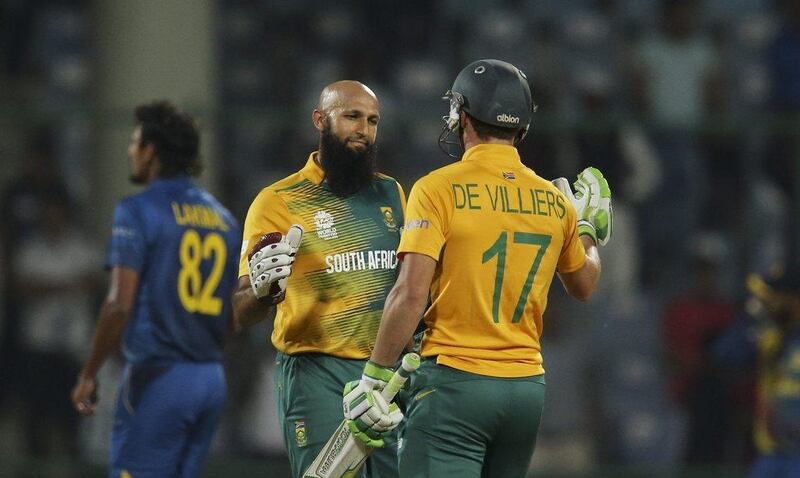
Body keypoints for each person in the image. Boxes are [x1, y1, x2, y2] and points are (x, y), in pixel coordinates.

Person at [341, 59, 611, 477]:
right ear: (521, 126)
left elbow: (410, 295)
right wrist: (589, 229)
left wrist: (374, 375)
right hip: (526, 389)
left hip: (454, 384)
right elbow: (585, 284)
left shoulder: (438, 188)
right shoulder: (554, 200)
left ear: (461, 115)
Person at [231, 80, 406, 477]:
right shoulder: (278, 200)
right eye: (352, 116)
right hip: (317, 374)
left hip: (385, 374)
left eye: (373, 120)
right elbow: (240, 312)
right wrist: (262, 292)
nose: (363, 129)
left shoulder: (391, 193)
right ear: (320, 120)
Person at [70, 101, 241, 477]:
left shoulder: (138, 210)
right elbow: (232, 314)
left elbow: (118, 305)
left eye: (135, 142)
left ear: (150, 151)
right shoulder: (224, 220)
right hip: (210, 378)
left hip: (160, 376)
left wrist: (89, 373)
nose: (131, 151)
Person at [713, 264, 800, 477]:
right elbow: (725, 354)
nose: (767, 305)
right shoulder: (771, 336)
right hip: (772, 454)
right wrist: (750, 319)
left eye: (772, 298)